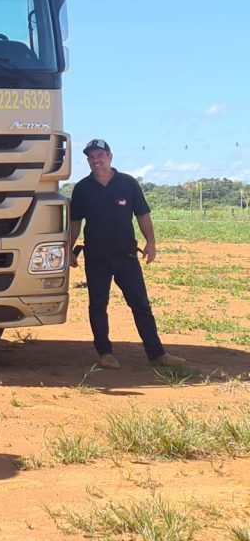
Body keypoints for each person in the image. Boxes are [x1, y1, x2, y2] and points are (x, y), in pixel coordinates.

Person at [68, 139, 185, 369]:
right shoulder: (82, 189)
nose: (95, 160)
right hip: (96, 258)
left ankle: (157, 354)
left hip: (126, 257)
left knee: (141, 305)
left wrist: (151, 243)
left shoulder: (128, 184)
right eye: (91, 157)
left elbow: (142, 215)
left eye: (100, 155)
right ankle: (104, 353)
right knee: (98, 306)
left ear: (110, 157)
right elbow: (75, 222)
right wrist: (69, 250)